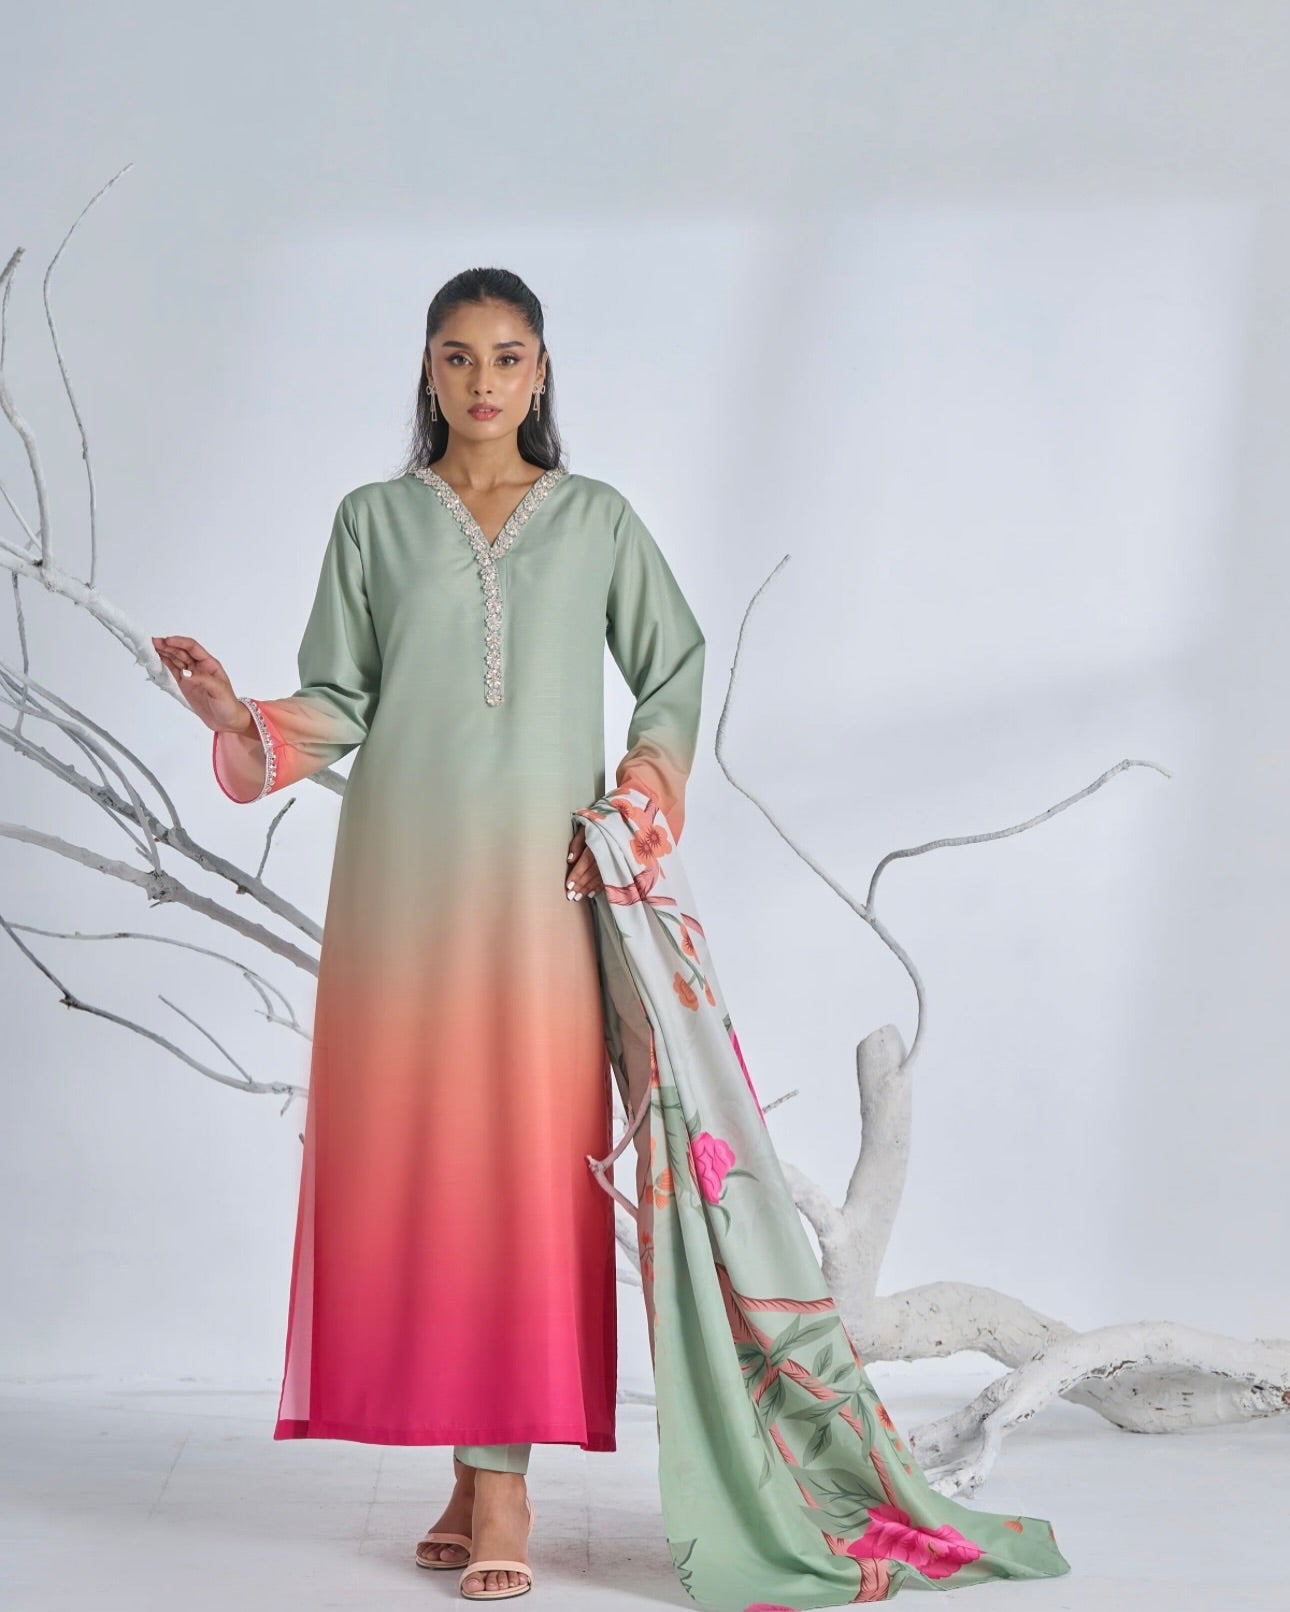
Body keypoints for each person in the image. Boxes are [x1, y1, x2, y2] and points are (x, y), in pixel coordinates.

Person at [152, 267, 705, 1602]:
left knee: (524, 1160)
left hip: (540, 891)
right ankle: (472, 1470)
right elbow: (340, 699)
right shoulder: (374, 520)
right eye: (458, 357)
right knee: (427, 1157)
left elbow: (674, 669)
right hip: (402, 884)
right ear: (427, 369)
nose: (481, 381)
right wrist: (243, 718)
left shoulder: (597, 520)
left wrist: (632, 803)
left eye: (506, 357)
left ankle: (500, 1480)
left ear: (540, 371)